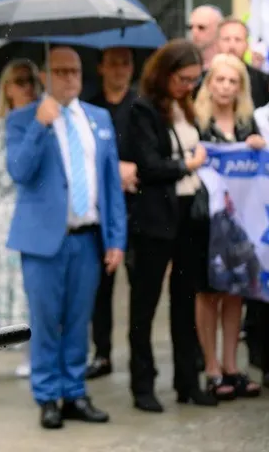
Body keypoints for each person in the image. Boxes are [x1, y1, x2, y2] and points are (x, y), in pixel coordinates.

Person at [6, 46, 126, 430]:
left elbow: (110, 186)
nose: (69, 78)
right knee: (45, 321)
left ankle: (74, 392)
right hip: (43, 241)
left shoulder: (99, 118)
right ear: (46, 76)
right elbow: (19, 172)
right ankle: (47, 396)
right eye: (59, 71)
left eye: (74, 71)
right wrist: (40, 125)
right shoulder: (24, 118)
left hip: (88, 239)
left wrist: (116, 239)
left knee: (79, 320)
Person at [126, 39, 216, 413]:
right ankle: (143, 385)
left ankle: (187, 381)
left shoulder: (188, 106)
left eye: (195, 80)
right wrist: (188, 165)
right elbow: (147, 165)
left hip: (189, 219)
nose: (189, 86)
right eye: (184, 79)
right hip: (154, 219)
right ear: (165, 75)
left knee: (186, 302)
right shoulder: (143, 109)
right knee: (144, 307)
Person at [193, 53, 264, 400]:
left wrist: (257, 148)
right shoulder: (196, 123)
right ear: (208, 84)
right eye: (219, 80)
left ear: (241, 88)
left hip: (239, 225)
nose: (225, 86)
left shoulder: (247, 125)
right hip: (205, 221)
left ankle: (232, 366)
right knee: (208, 293)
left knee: (235, 292)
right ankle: (211, 366)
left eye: (232, 81)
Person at [0, 59, 40, 376]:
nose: (28, 86)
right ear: (8, 88)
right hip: (7, 214)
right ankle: (27, 351)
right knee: (16, 287)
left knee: (33, 286)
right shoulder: (2, 125)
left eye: (31, 80)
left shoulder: (43, 120)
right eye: (20, 80)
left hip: (34, 209)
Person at [86, 47, 138, 380]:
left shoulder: (142, 107)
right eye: (114, 63)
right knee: (100, 289)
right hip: (100, 210)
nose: (120, 69)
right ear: (102, 67)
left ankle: (138, 356)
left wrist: (135, 169)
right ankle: (102, 353)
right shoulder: (90, 107)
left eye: (125, 64)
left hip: (137, 206)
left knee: (140, 288)